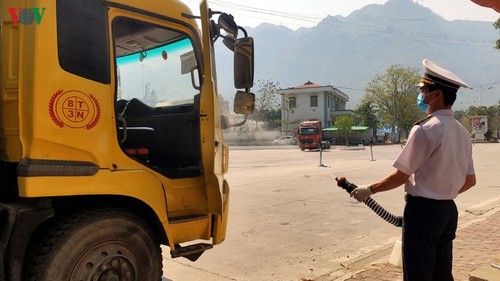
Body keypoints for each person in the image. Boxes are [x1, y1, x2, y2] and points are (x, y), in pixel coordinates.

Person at [350, 59, 476, 281]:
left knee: (418, 274)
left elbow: (401, 174)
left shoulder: (426, 130)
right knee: (441, 273)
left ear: (436, 95)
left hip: (423, 213)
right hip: (448, 212)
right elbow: (470, 180)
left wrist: (369, 189)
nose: (421, 95)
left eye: (424, 90)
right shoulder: (462, 133)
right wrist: (444, 193)